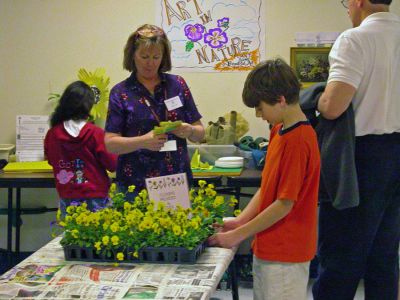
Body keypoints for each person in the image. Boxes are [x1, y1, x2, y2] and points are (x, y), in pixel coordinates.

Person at [208, 58, 321, 300]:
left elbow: (284, 204)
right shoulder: (278, 129)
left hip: (286, 254)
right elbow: (267, 188)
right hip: (269, 247)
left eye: (260, 108)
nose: (259, 115)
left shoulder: (299, 140)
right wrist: (239, 221)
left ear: (280, 100)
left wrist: (238, 236)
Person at [312, 1, 400, 299]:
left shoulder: (355, 39)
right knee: (384, 257)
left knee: (341, 259)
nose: (347, 8)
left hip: (360, 158)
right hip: (397, 155)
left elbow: (334, 107)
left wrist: (320, 99)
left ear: (359, 1)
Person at [104, 24, 205, 193]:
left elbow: (201, 132)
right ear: (133, 56)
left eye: (156, 57)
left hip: (176, 181)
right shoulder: (121, 92)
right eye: (144, 56)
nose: (150, 63)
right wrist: (142, 141)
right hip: (135, 185)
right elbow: (110, 143)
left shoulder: (177, 85)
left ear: (164, 57)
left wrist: (190, 131)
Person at [44, 81, 117, 216]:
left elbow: (51, 160)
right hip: (96, 195)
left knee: (72, 234)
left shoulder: (52, 134)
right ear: (88, 105)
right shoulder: (95, 133)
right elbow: (112, 164)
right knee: (97, 235)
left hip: (67, 196)